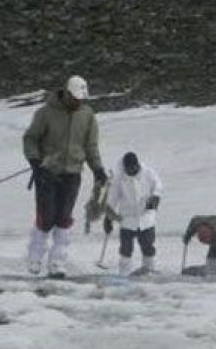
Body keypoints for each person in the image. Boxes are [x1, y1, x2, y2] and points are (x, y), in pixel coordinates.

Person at [22, 75, 107, 276]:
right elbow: (30, 139)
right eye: (75, 98)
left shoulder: (87, 115)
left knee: (64, 218)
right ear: (66, 93)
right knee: (46, 217)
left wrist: (98, 169)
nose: (79, 102)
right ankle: (35, 259)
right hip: (47, 173)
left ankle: (57, 263)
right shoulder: (45, 113)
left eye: (81, 99)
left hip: (72, 173)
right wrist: (35, 163)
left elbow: (90, 146)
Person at [105, 152, 163, 275]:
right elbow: (112, 200)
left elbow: (158, 186)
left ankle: (149, 271)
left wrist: (155, 198)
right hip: (127, 219)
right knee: (126, 249)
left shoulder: (148, 173)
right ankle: (124, 274)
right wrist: (109, 218)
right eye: (128, 168)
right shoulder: (119, 179)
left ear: (137, 165)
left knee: (148, 247)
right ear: (124, 167)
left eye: (133, 167)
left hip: (146, 218)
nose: (131, 170)